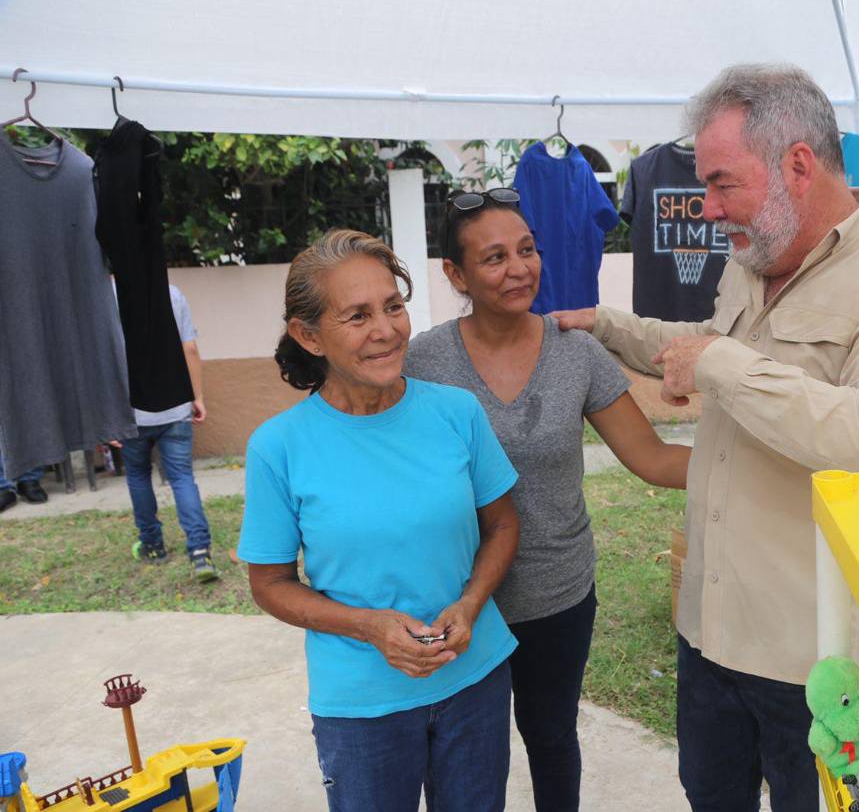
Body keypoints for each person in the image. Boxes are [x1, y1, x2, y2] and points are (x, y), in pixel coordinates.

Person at [553, 64, 859, 811]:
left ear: (797, 165)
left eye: (721, 183)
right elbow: (709, 343)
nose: (706, 208)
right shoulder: (754, 258)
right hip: (710, 633)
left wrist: (721, 364)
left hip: (816, 658)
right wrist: (606, 327)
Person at [405, 187, 691, 812]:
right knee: (464, 751)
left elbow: (652, 457)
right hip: (458, 599)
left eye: (527, 250)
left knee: (551, 738)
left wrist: (760, 469)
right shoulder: (422, 361)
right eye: (495, 257)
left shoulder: (576, 352)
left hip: (556, 593)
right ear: (456, 274)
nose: (519, 269)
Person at [237, 230, 521, 812]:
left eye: (393, 306)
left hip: (474, 679)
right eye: (357, 316)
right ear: (308, 335)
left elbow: (502, 526)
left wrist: (469, 606)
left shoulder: (455, 412)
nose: (386, 330)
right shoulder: (279, 447)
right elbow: (269, 584)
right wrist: (370, 627)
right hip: (361, 703)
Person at [122, 284, 218, 581]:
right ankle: (200, 552)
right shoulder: (171, 293)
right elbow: (189, 347)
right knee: (182, 477)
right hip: (175, 405)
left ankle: (152, 545)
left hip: (130, 410)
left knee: (138, 476)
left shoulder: (103, 296)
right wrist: (197, 396)